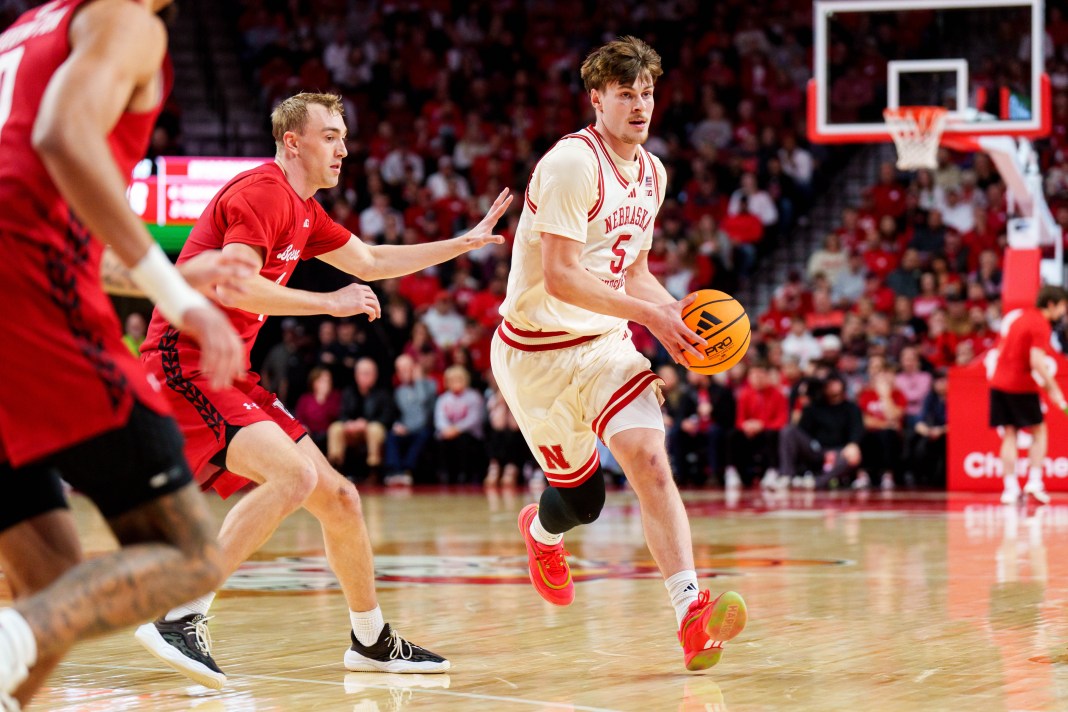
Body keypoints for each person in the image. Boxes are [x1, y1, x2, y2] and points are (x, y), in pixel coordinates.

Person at [135, 92, 512, 687]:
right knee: (294, 477)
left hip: (230, 371)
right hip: (184, 362)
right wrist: (330, 303)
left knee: (339, 498)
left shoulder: (305, 210)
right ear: (293, 142)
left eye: (343, 136)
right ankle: (180, 614)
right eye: (331, 136)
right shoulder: (262, 192)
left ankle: (371, 640)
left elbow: (371, 260)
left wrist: (462, 242)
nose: (343, 149)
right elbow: (234, 286)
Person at [0, 0, 253, 707]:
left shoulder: (26, 30)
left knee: (51, 589)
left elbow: (40, 200)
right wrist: (179, 301)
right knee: (188, 557)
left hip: (19, 291)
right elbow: (61, 137)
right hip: (28, 302)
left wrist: (171, 275)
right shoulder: (126, 20)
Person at [490, 37, 747, 672]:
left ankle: (690, 614)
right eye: (625, 93)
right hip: (536, 354)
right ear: (596, 99)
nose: (639, 105)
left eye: (647, 93)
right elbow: (560, 277)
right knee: (583, 503)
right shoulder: (572, 164)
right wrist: (651, 316)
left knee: (651, 461)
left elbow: (633, 271)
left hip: (605, 344)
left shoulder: (653, 173)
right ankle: (541, 532)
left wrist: (677, 317)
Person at [988, 285, 1068, 504]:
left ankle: (1010, 489)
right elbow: (1037, 362)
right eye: (1063, 307)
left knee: (1010, 434)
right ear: (1051, 304)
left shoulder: (1021, 318)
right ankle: (1034, 481)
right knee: (1039, 431)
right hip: (1020, 385)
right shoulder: (1040, 324)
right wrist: (1055, 390)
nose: (1063, 313)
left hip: (998, 382)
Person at [778, 374, 864, 490]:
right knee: (788, 431)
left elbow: (857, 429)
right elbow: (802, 431)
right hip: (816, 449)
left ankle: (817, 482)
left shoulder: (852, 408)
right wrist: (805, 405)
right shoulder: (813, 407)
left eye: (835, 382)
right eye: (828, 384)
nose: (832, 386)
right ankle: (786, 476)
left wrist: (853, 444)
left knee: (852, 456)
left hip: (840, 451)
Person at [326, 357, 395, 476]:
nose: (364, 376)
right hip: (352, 430)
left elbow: (387, 417)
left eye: (368, 373)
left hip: (371, 429)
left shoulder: (383, 393)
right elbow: (342, 414)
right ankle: (335, 467)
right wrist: (348, 422)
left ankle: (373, 470)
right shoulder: (349, 392)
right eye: (362, 373)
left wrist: (366, 423)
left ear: (375, 375)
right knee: (335, 428)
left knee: (374, 429)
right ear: (356, 375)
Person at [726, 362, 788, 490]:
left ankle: (772, 471)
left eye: (760, 375)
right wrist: (746, 426)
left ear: (767, 377)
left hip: (767, 432)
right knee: (732, 435)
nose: (757, 379)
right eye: (753, 376)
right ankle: (732, 471)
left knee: (772, 435)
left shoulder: (778, 394)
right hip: (749, 432)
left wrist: (762, 425)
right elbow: (739, 420)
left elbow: (782, 420)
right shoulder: (745, 394)